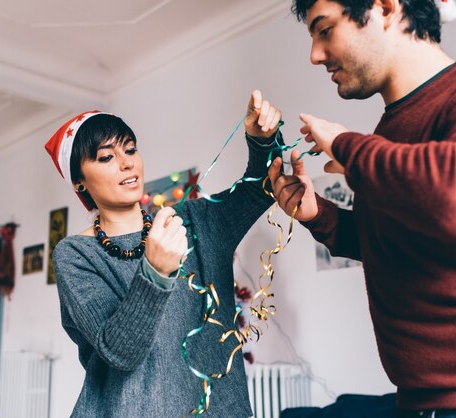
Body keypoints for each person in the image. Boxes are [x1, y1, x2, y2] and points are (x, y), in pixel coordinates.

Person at [268, 0, 456, 416]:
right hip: (420, 401)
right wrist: (317, 213)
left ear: (386, 8)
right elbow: (398, 243)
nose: (315, 55)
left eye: (324, 29)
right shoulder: (390, 129)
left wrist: (346, 144)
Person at [44, 91, 284, 417]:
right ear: (79, 183)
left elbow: (262, 188)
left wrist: (262, 141)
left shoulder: (192, 221)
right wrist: (155, 273)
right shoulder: (75, 254)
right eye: (105, 158)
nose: (127, 162)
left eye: (130, 150)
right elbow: (120, 353)